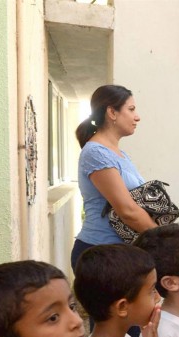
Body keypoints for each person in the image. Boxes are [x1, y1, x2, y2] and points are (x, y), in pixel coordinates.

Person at [71, 84, 157, 269]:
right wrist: (163, 239)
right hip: (100, 255)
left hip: (121, 253)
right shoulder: (96, 153)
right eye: (131, 109)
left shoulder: (120, 154)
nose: (137, 117)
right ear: (112, 112)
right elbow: (127, 211)